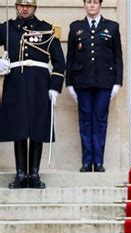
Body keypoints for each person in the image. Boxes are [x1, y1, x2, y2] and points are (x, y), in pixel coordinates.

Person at [0, 0, 65, 189]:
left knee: (37, 127)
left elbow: (59, 62)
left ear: (34, 7)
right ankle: (21, 174)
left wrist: (55, 86)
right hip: (16, 83)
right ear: (16, 6)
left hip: (40, 84)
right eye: (21, 5)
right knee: (19, 128)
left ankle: (34, 174)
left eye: (28, 5)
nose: (25, 8)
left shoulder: (47, 29)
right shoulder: (6, 28)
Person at [66, 0, 123, 173]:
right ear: (84, 5)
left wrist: (117, 82)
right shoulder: (76, 27)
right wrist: (69, 83)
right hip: (82, 82)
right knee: (85, 121)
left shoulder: (112, 27)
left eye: (95, 2)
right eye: (88, 2)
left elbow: (118, 57)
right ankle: (86, 161)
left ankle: (98, 162)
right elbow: (70, 57)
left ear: (100, 5)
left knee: (99, 121)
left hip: (104, 83)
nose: (92, 5)